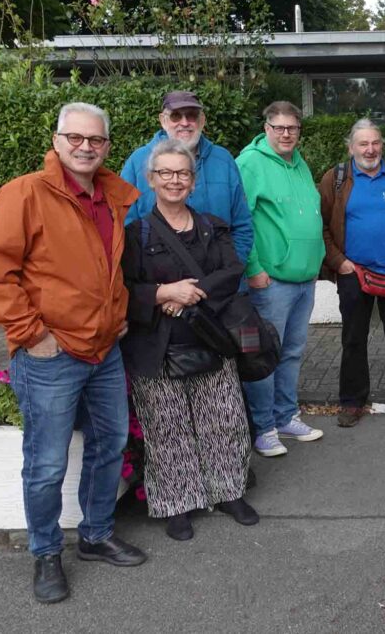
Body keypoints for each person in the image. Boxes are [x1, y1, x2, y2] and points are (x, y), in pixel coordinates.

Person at [0, 102, 146, 604]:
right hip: (51, 355)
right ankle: (46, 552)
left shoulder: (112, 195)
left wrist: (117, 313)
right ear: (57, 139)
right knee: (46, 463)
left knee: (108, 445)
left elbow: (105, 268)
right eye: (75, 138)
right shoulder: (24, 193)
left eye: (95, 140)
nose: (85, 147)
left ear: (107, 145)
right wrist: (32, 335)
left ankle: (94, 536)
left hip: (106, 350)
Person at [121, 138, 258, 542]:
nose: (174, 180)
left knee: (224, 419)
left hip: (210, 338)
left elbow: (232, 271)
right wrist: (164, 294)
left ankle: (229, 492)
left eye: (182, 173)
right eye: (165, 173)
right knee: (168, 428)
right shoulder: (134, 233)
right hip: (157, 346)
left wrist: (186, 293)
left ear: (193, 182)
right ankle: (177, 504)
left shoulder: (213, 226)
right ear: (151, 180)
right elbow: (125, 287)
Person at [318, 119, 385, 428]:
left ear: (382, 144)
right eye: (363, 143)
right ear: (351, 147)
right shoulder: (335, 179)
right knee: (353, 339)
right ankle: (352, 401)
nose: (370, 149)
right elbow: (321, 226)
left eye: (375, 142)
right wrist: (339, 262)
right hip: (354, 273)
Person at [236, 101, 325, 457]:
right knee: (264, 356)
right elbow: (241, 219)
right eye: (279, 127)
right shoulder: (250, 163)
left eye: (292, 128)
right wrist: (253, 267)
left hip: (304, 279)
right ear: (267, 128)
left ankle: (285, 416)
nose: (286, 134)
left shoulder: (299, 163)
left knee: (291, 352)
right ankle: (263, 427)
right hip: (271, 281)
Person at [120, 90, 253, 262]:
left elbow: (242, 225)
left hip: (222, 283)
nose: (184, 123)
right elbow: (125, 227)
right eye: (176, 116)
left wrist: (229, 269)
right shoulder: (138, 162)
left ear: (202, 120)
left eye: (191, 115)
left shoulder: (224, 160)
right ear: (163, 120)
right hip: (162, 282)